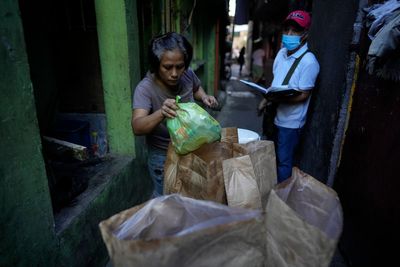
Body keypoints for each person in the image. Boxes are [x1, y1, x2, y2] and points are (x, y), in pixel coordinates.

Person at [131, 32, 218, 197]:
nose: (175, 73)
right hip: (162, 155)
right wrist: (161, 113)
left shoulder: (187, 74)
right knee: (166, 197)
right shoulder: (145, 88)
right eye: (167, 67)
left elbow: (196, 88)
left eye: (180, 66)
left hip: (193, 148)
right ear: (156, 65)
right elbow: (137, 126)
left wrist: (205, 97)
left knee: (192, 193)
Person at [265, 10, 320, 183]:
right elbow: (276, 82)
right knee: (269, 157)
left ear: (305, 34)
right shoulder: (281, 54)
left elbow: (303, 95)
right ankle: (270, 191)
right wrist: (265, 98)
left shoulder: (309, 62)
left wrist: (278, 99)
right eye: (286, 29)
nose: (289, 34)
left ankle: (281, 200)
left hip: (291, 122)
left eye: (295, 31)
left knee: (284, 162)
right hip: (274, 115)